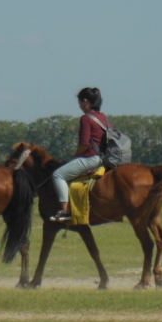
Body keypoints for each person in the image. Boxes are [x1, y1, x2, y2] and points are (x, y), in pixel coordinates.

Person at [50, 87, 109, 223]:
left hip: (90, 158)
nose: (80, 106)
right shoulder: (103, 118)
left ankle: (65, 212)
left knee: (58, 175)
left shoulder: (86, 119)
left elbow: (83, 144)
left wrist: (76, 156)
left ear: (85, 101)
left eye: (80, 103)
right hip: (103, 159)